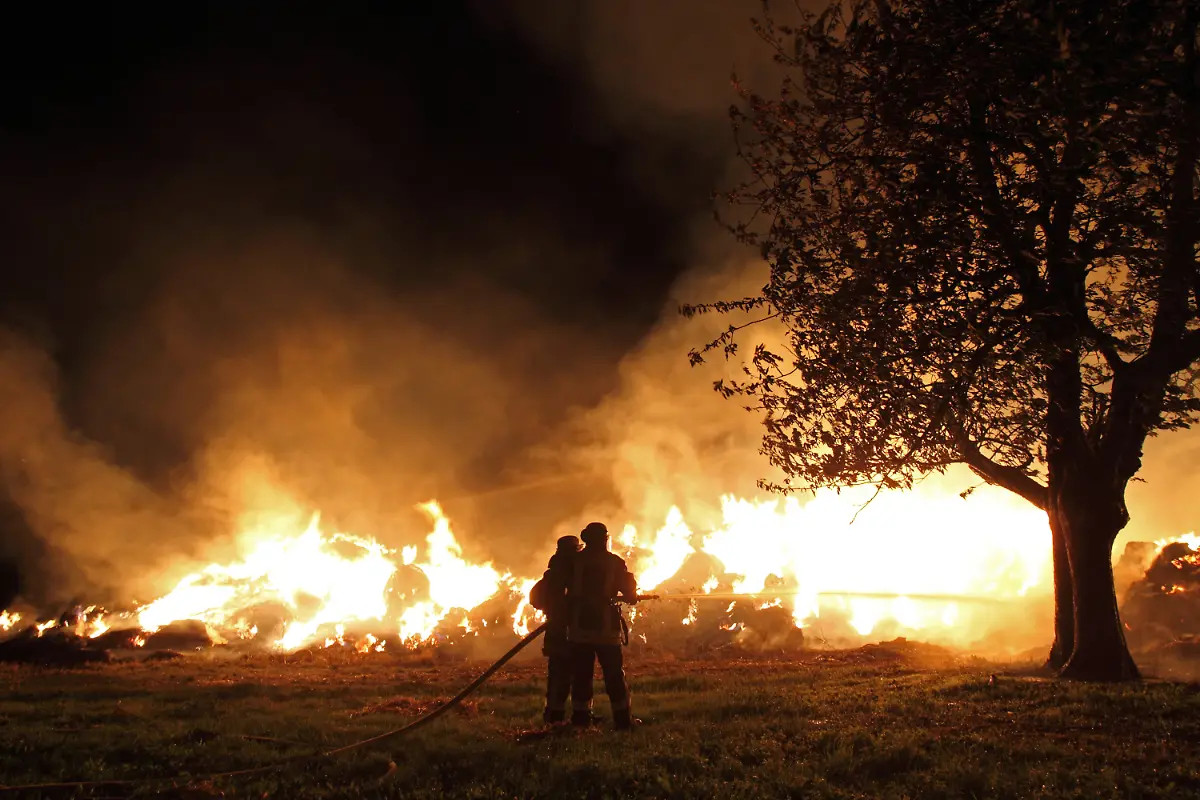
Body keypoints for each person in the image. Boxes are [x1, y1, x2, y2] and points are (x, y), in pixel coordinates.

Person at [561, 521, 640, 730]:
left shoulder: (574, 562)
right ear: (604, 539)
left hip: (578, 630)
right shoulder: (614, 562)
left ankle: (580, 720)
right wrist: (631, 595)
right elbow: (629, 590)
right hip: (607, 631)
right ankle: (623, 721)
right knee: (614, 676)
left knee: (581, 677)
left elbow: (561, 587)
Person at [529, 535, 580, 724]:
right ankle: (578, 717)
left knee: (558, 675)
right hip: (574, 631)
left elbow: (535, 599)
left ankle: (553, 715)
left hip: (556, 630)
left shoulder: (552, 574)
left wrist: (550, 610)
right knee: (577, 675)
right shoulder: (576, 573)